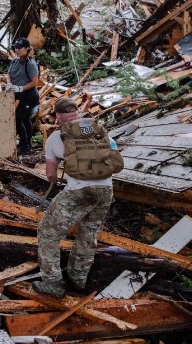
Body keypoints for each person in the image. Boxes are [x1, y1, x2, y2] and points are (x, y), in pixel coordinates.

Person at [33, 98, 123, 298]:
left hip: (78, 191)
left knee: (47, 233)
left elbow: (50, 174)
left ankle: (53, 282)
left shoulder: (56, 137)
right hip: (106, 190)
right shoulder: (100, 132)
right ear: (79, 113)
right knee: (88, 236)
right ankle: (78, 281)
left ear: (58, 116)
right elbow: (114, 157)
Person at [5, 37, 40, 155]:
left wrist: (21, 88)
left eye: (20, 48)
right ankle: (27, 142)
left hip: (30, 96)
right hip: (21, 96)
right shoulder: (15, 61)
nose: (17, 50)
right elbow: (9, 74)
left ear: (27, 49)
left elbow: (35, 82)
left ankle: (25, 146)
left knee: (17, 118)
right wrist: (9, 83)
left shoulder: (30, 63)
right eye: (16, 48)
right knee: (25, 119)